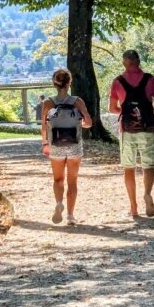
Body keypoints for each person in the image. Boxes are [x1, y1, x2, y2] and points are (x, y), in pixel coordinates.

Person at [108, 50, 154, 218]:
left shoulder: (118, 81)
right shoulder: (150, 79)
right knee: (148, 165)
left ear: (124, 63)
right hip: (147, 128)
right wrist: (147, 111)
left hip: (127, 129)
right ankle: (147, 193)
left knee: (129, 168)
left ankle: (133, 207)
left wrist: (124, 111)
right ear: (138, 61)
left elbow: (111, 108)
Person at [41, 68, 92, 225]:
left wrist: (45, 143)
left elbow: (44, 126)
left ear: (54, 84)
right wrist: (80, 123)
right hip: (74, 146)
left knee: (58, 179)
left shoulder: (48, 102)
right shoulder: (77, 101)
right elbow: (89, 123)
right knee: (72, 181)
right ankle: (70, 215)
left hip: (55, 145)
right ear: (70, 83)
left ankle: (58, 203)